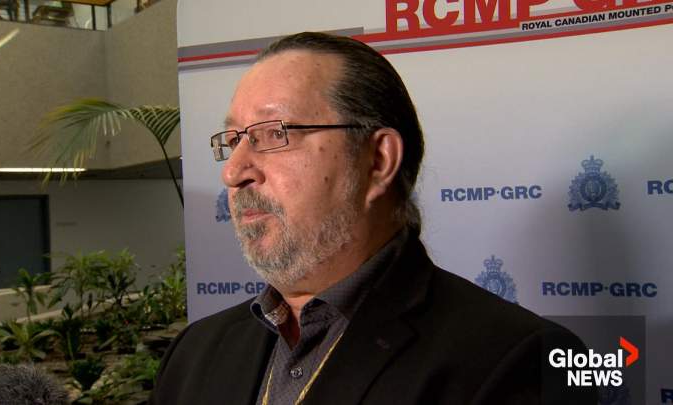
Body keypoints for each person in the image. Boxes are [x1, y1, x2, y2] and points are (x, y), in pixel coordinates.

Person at [150, 32, 595, 404]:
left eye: (273, 134)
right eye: (233, 140)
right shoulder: (195, 353)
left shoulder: (518, 360)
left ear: (378, 161)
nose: (233, 172)